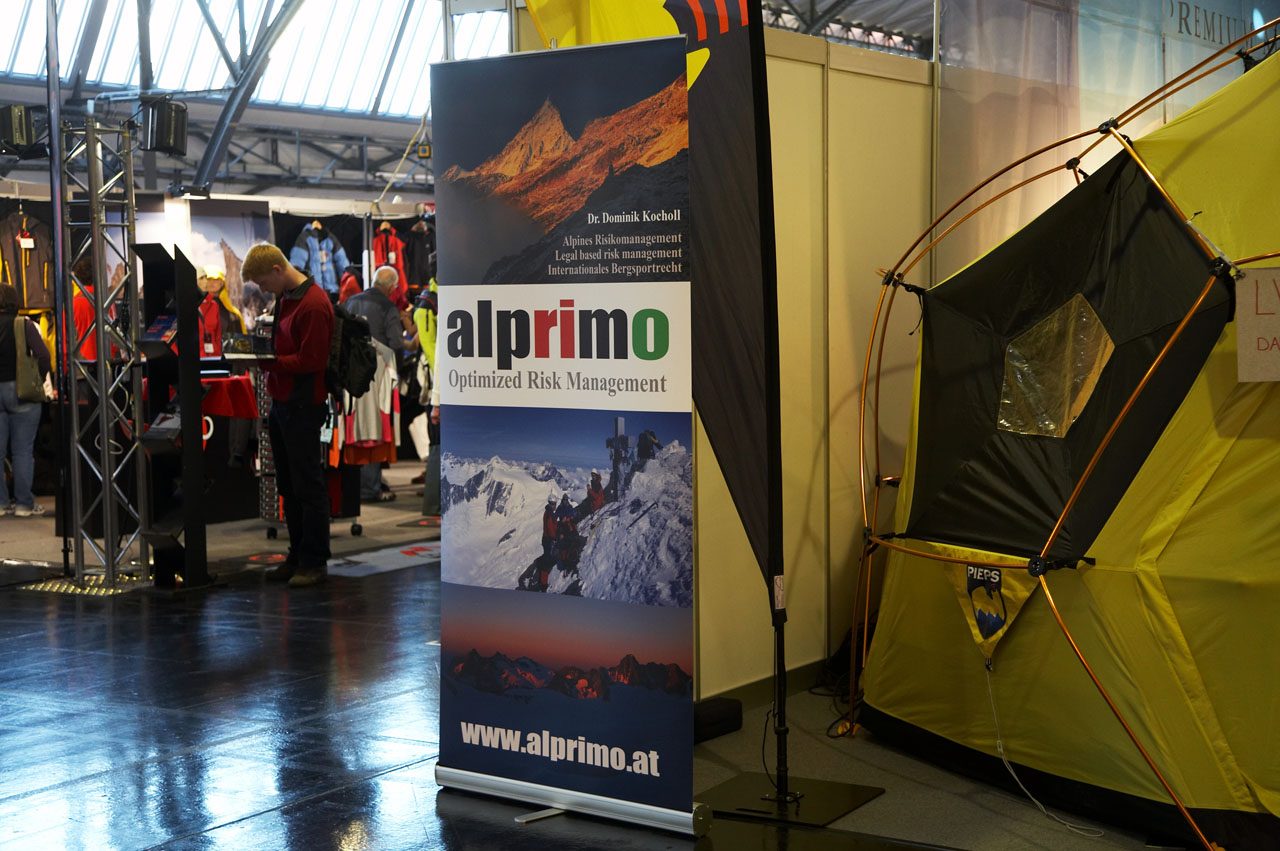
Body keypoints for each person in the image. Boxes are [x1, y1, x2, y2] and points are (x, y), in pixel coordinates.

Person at [241, 243, 334, 588]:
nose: (263, 290)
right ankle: (298, 554)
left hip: (303, 405)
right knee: (289, 485)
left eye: (264, 282)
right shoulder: (288, 298)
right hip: (282, 404)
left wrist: (265, 363)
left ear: (278, 271)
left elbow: (312, 361)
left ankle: (314, 560)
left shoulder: (313, 304)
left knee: (308, 485)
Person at [346, 265, 407, 503]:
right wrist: (397, 372)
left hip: (351, 377)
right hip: (377, 378)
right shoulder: (388, 307)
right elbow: (397, 345)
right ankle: (370, 487)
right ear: (392, 288)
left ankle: (358, 485)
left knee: (355, 431)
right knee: (376, 431)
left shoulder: (350, 302)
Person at [0, 282, 51, 516]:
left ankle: (1, 504)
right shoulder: (24, 325)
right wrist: (37, 381)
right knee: (22, 450)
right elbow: (43, 355)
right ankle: (23, 504)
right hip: (22, 391)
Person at [196, 266, 246, 357]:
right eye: (208, 279)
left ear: (221, 282)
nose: (210, 283)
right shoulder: (198, 305)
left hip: (216, 355)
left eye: (215, 280)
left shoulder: (231, 313)